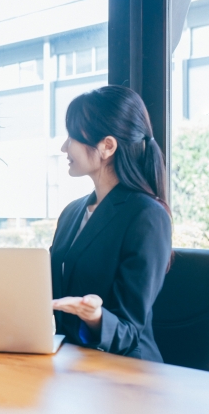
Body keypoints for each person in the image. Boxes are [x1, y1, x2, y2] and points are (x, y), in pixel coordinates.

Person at [50, 85, 172, 361]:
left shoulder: (148, 216)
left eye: (72, 137)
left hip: (127, 372)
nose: (64, 147)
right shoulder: (72, 212)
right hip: (72, 361)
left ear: (107, 146)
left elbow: (129, 331)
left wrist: (94, 316)